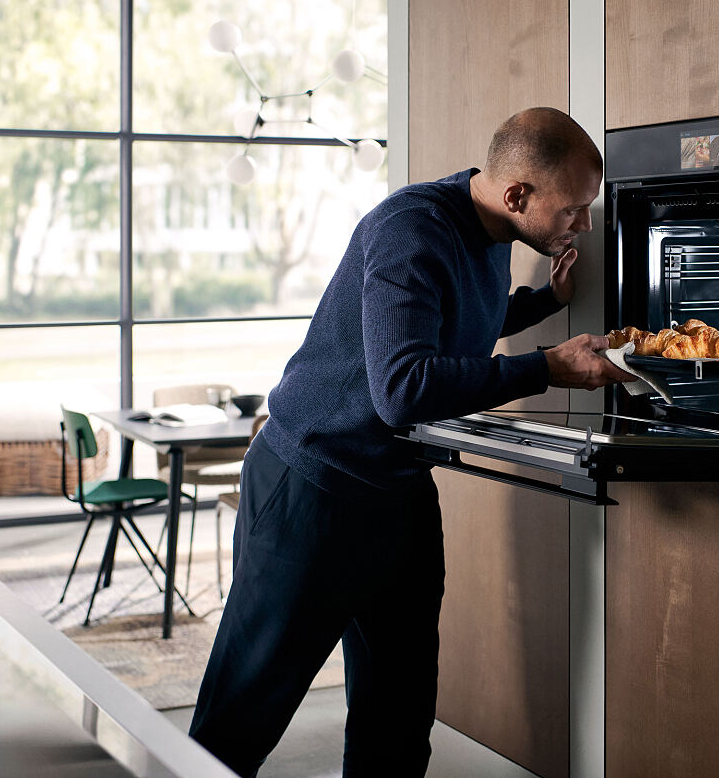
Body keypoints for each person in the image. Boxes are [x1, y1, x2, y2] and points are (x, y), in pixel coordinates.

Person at [189, 107, 634, 777]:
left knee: (399, 717)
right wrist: (547, 366)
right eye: (574, 210)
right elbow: (403, 387)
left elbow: (451, 318)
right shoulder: (410, 229)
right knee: (241, 715)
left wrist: (542, 302)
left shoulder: (489, 225)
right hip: (311, 486)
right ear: (518, 195)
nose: (585, 225)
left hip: (397, 492)